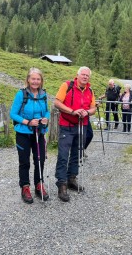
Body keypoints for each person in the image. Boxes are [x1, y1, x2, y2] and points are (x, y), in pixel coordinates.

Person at [54, 66, 96, 202]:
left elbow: (93, 108)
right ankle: (62, 184)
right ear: (77, 75)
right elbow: (57, 103)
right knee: (63, 155)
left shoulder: (90, 90)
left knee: (77, 153)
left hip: (82, 126)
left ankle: (72, 178)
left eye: (87, 75)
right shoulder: (66, 86)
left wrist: (87, 112)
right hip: (66, 125)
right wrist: (72, 111)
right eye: (83, 75)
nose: (85, 77)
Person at [10, 68, 50, 204]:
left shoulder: (43, 95)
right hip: (23, 132)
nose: (35, 81)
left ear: (41, 81)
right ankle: (25, 187)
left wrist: (45, 119)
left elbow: (47, 112)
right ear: (28, 80)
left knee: (40, 160)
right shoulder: (21, 94)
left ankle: (39, 185)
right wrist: (27, 122)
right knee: (24, 161)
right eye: (33, 79)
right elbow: (13, 114)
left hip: (39, 132)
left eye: (38, 79)